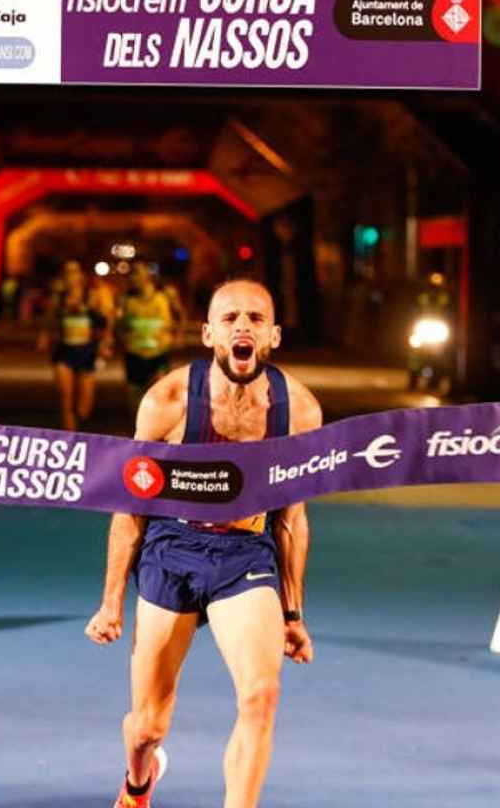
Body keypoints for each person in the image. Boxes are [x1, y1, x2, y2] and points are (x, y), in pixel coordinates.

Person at [85, 279, 321, 808]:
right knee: (147, 726)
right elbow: (130, 507)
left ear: (274, 336)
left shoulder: (298, 410)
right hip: (172, 549)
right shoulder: (167, 400)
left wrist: (292, 611)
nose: (244, 326)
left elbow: (292, 517)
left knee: (261, 697)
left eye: (256, 319)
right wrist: (109, 604)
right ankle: (139, 780)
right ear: (208, 333)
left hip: (245, 557)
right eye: (231, 318)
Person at [39, 259, 110, 431]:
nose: (71, 276)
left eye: (74, 271)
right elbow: (49, 320)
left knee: (84, 408)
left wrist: (105, 342)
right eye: (67, 272)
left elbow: (103, 321)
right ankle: (70, 439)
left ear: (81, 275)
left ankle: (79, 422)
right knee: (65, 400)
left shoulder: (90, 295)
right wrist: (45, 336)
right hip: (65, 351)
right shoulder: (59, 297)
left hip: (86, 351)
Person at [118, 262, 179, 414]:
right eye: (131, 273)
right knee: (136, 401)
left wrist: (177, 335)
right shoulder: (126, 299)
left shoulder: (165, 295)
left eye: (137, 272)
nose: (133, 277)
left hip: (159, 354)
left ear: (148, 274)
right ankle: (139, 434)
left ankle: (158, 433)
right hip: (134, 354)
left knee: (159, 397)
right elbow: (119, 324)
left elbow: (179, 315)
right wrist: (121, 339)